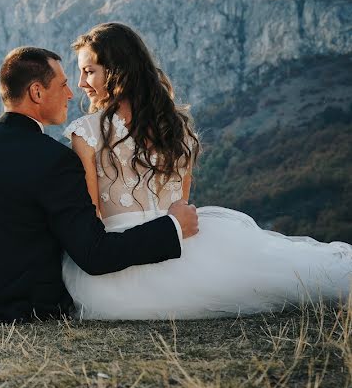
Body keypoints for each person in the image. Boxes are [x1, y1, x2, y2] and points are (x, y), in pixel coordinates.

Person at [63, 22, 351, 319]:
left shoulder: (86, 133)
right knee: (280, 277)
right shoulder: (176, 129)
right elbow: (181, 207)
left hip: (120, 267)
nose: (81, 83)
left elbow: (91, 215)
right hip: (185, 247)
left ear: (118, 71)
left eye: (89, 71)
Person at [0, 46, 199, 323]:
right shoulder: (56, 160)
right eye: (63, 85)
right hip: (22, 307)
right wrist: (171, 227)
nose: (72, 94)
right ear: (37, 92)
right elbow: (94, 255)